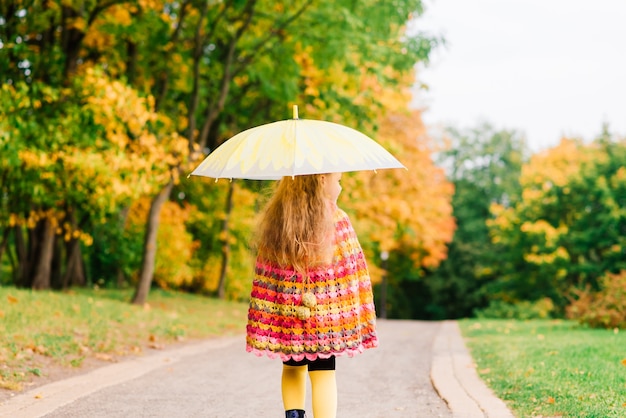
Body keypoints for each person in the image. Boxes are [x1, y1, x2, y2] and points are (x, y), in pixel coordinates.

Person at [246, 172, 379, 418]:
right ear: (321, 180)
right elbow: (353, 271)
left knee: (292, 367)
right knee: (324, 373)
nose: (340, 186)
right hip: (325, 319)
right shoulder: (337, 220)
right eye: (337, 180)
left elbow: (267, 276)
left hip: (288, 314)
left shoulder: (277, 221)